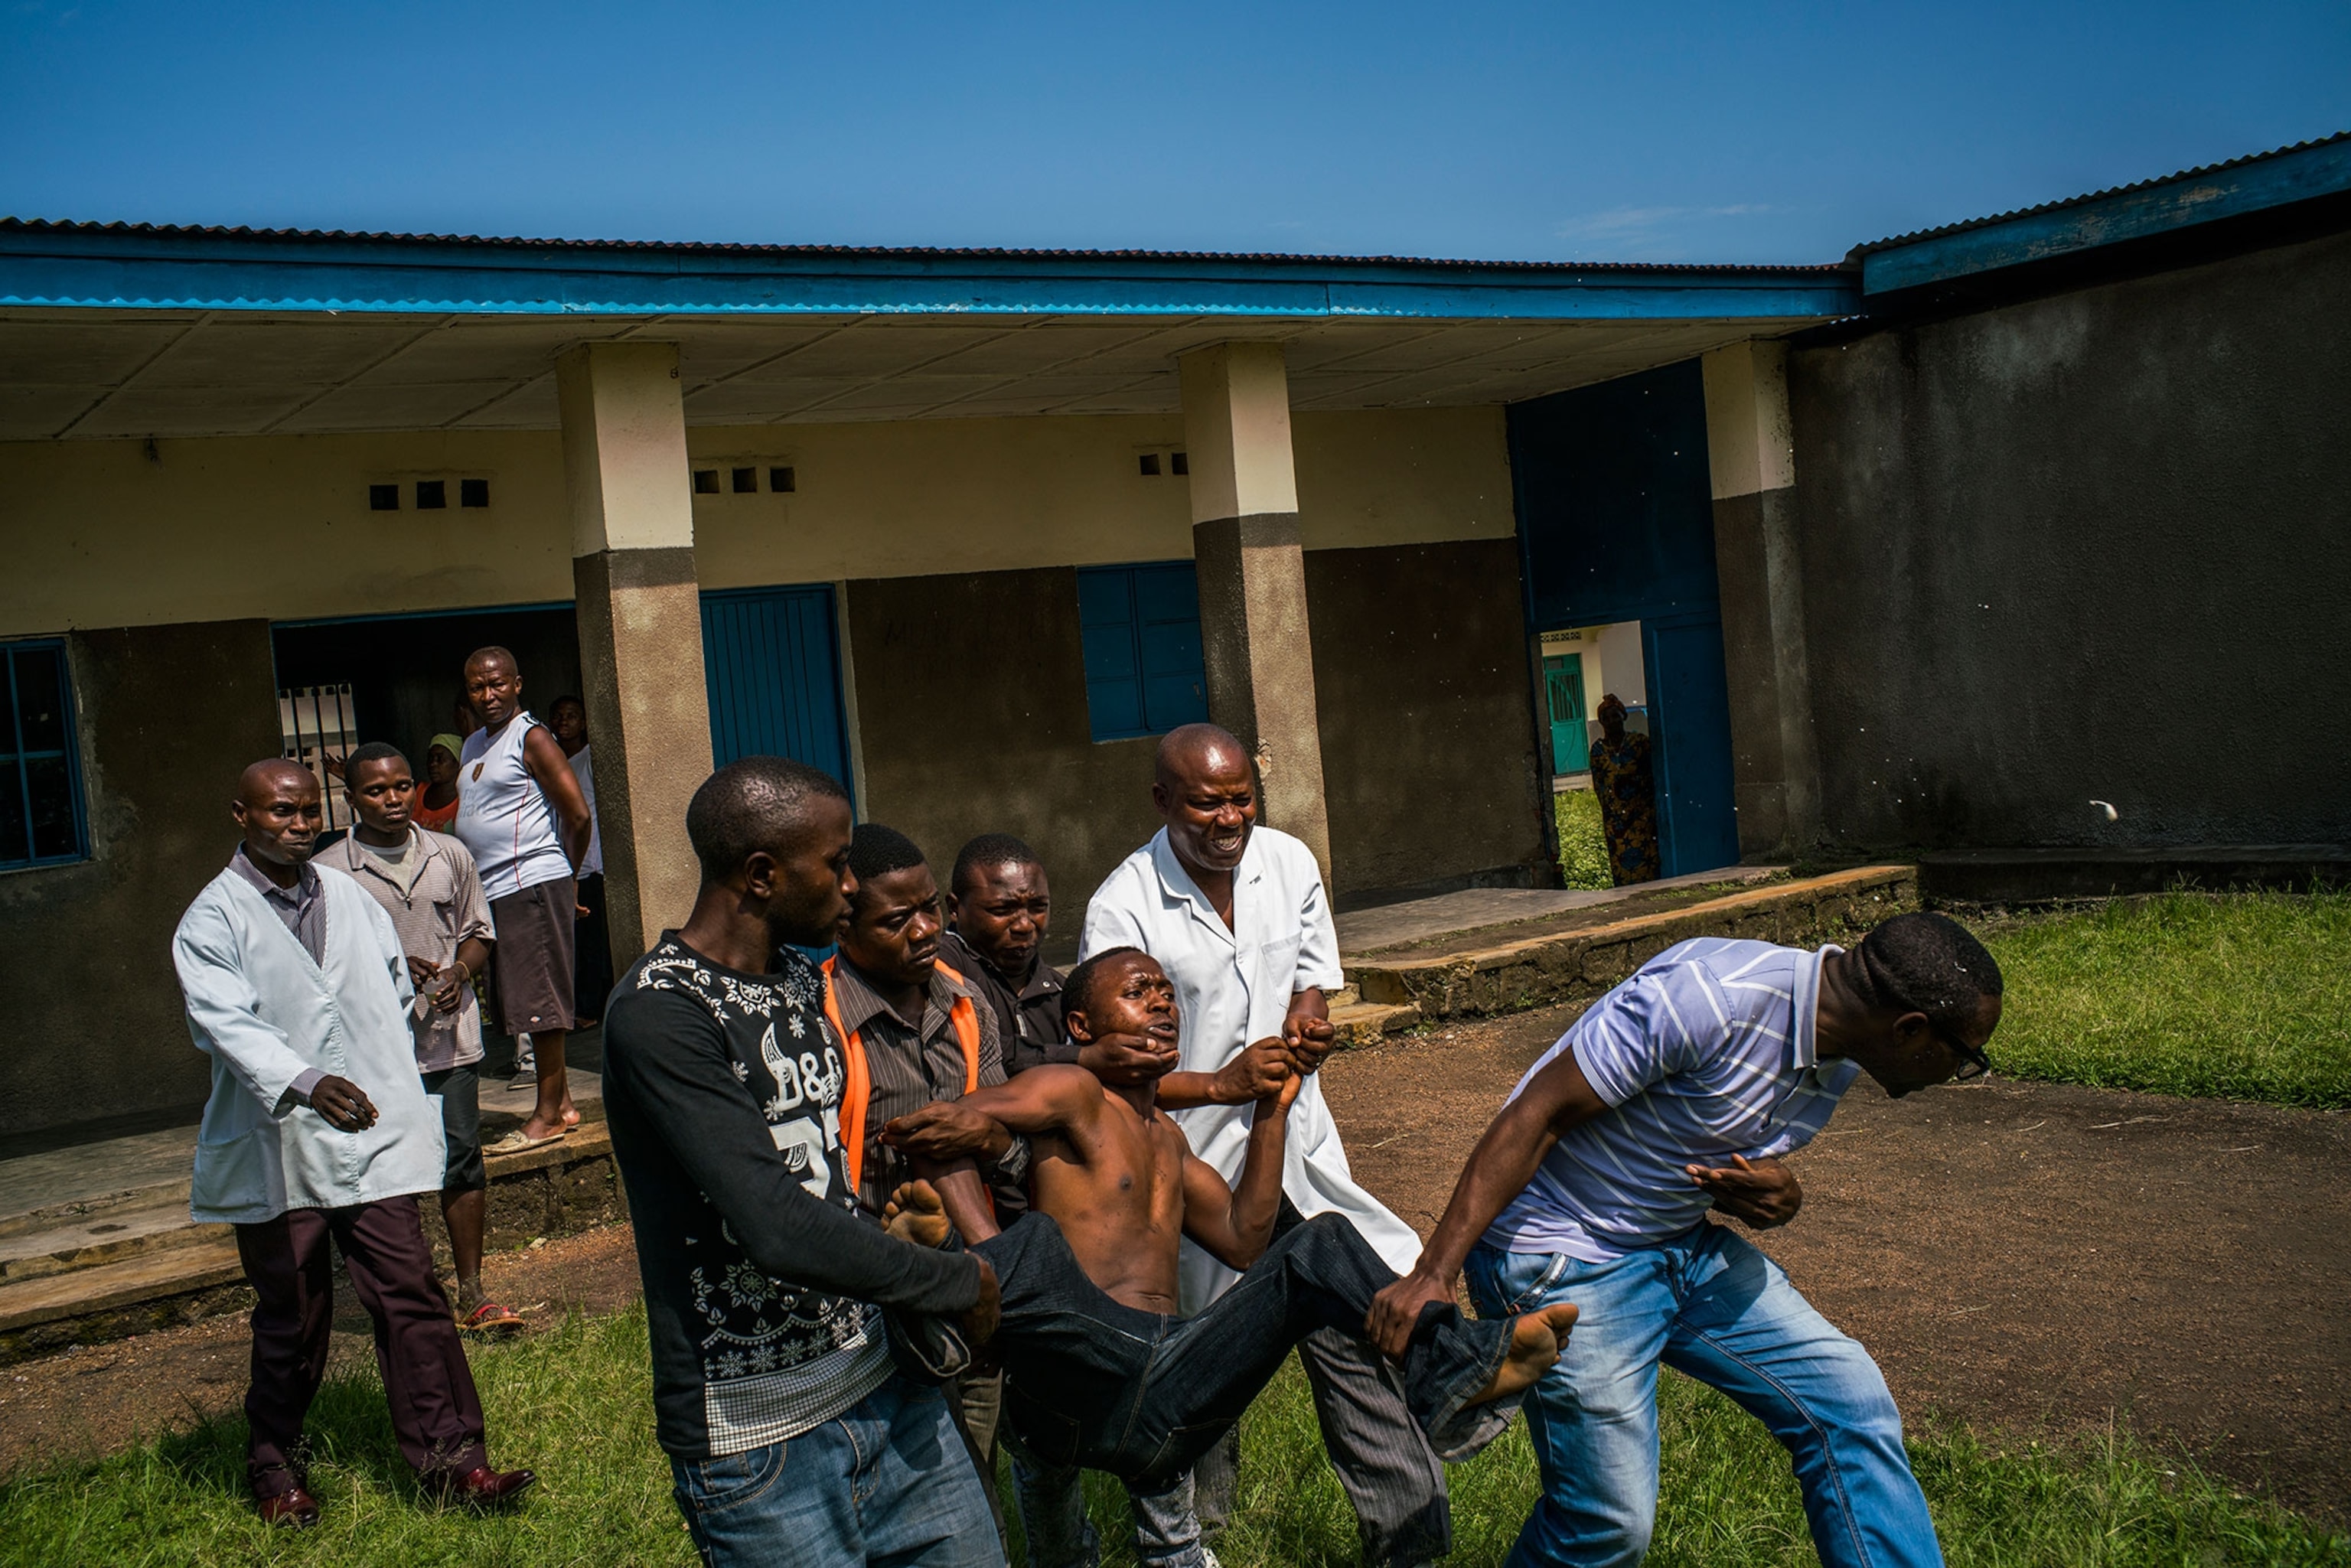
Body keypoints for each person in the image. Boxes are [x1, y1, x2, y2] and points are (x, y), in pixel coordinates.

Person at [883, 947, 1578, 1568]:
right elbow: (939, 1128)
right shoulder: (1073, 1093)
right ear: (1083, 1029)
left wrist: (1272, 1111)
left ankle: (1450, 1368)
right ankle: (960, 1272)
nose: (1160, 1001)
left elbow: (1248, 1239)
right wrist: (980, 1256)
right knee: (1059, 1532)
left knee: (1319, 1237)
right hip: (1071, 1373)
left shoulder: (1169, 1141)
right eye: (1137, 991)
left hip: (1161, 1387)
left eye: (1165, 991)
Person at [1365, 913, 2006, 1568]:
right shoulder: (1710, 997)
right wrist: (1434, 1271)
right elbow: (1537, 1112)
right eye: (1966, 1056)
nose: (1962, 1070)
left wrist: (1782, 1197)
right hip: (1565, 1253)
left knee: (1850, 1404)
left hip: (1679, 1246)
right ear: (1911, 1031)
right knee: (1607, 1523)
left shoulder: (1838, 1043)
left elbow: (1712, 1133)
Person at [598, 758, 1003, 1568]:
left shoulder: (795, 980)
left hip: (887, 1389)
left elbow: (820, 1172)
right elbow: (773, 1224)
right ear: (760, 875)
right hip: (761, 1444)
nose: (852, 886)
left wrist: (905, 1232)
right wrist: (965, 1281)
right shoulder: (662, 1014)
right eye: (836, 862)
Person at [1080, 722, 1447, 1566]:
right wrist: (1224, 1084)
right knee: (1203, 1355)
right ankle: (1198, 1536)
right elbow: (1113, 1072)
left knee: (1348, 1332)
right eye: (1207, 803)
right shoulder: (1123, 905)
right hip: (1193, 1164)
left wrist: (1308, 1021)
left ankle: (1409, 1541)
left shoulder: (1288, 864)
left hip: (1294, 1150)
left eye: (1242, 798)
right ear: (1162, 801)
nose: (1229, 818)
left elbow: (1311, 977)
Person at [172, 760, 535, 1527]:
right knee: (293, 1314)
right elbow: (221, 1020)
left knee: (412, 1296)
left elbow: (370, 995)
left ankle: (455, 1466)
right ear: (241, 814)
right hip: (281, 1147)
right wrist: (304, 1080)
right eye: (280, 811)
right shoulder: (214, 918)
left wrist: (416, 983)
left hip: (369, 1141)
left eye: (309, 811)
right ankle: (277, 1474)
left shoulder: (346, 897)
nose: (299, 824)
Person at [826, 823, 1026, 1548]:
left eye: (930, 910)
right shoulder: (822, 1020)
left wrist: (980, 1136)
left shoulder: (962, 1002)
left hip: (964, 1283)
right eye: (895, 919)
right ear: (845, 923)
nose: (924, 931)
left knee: (973, 1484)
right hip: (866, 1302)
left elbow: (1009, 1138)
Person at [319, 742, 523, 1335]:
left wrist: (460, 972)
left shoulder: (450, 853)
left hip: (448, 1039)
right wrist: (384, 967)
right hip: (375, 1049)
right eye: (377, 791)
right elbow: (320, 962)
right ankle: (406, 1296)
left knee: (461, 1155)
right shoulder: (331, 872)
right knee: (390, 1166)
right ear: (352, 797)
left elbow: (478, 931)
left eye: (403, 786)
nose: (393, 799)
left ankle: (472, 1289)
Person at [451, 647, 594, 1152]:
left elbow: (577, 815)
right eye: (477, 687)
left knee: (540, 1000)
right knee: (521, 996)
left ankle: (547, 1115)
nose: (488, 695)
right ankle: (567, 1102)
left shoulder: (531, 737)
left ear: (517, 684)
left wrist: (566, 876)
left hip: (529, 879)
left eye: (497, 684)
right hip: (494, 889)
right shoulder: (473, 744)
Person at [941, 833, 1071, 1075]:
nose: (1024, 925)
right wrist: (1079, 1058)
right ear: (955, 909)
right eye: (1002, 910)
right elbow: (974, 1048)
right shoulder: (938, 971)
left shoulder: (1061, 992)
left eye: (1038, 908)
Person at [548, 696, 612, 1027]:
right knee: (573, 942)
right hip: (563, 863)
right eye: (558, 717)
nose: (564, 722)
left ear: (584, 722)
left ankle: (590, 1009)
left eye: (572, 716)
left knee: (592, 942)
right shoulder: (552, 761)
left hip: (590, 864)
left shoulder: (590, 760)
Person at [1586, 694, 1658, 887]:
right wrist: (1612, 813)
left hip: (1641, 818)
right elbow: (1599, 785)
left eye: (1615, 716)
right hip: (1615, 823)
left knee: (1648, 866)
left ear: (1623, 717)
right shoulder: (1598, 751)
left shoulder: (1638, 743)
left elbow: (1651, 775)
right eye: (1606, 718)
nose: (1611, 722)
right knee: (1623, 870)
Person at [412, 732, 465, 832]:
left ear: (458, 763)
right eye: (431, 758)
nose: (433, 764)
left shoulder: (464, 800)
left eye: (440, 759)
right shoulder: (417, 792)